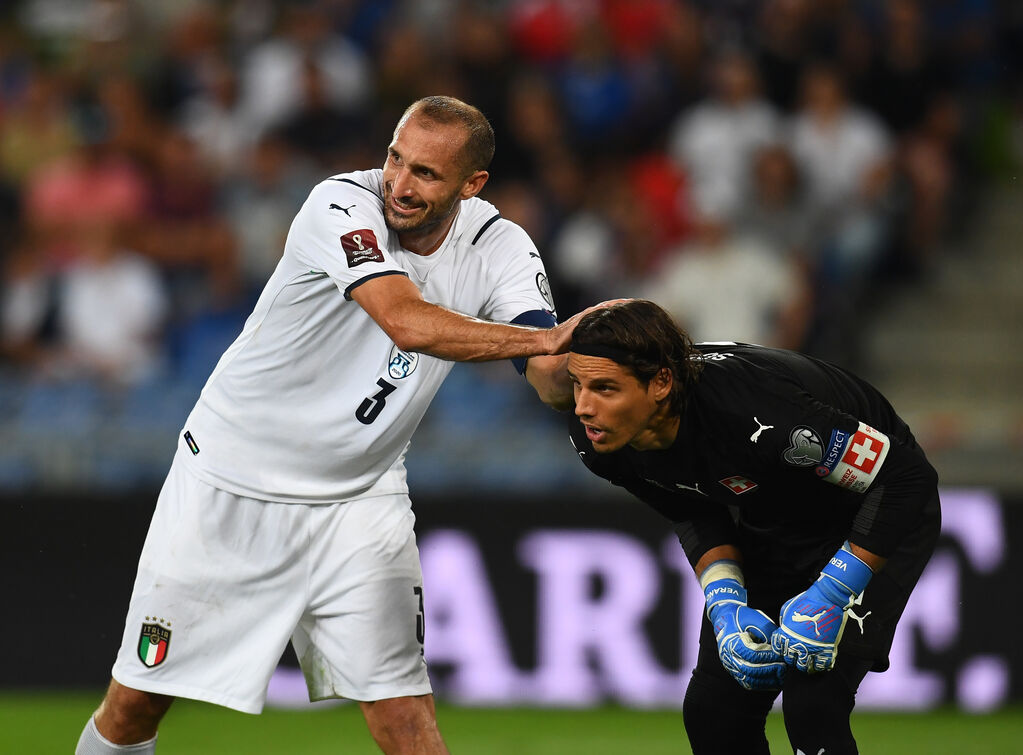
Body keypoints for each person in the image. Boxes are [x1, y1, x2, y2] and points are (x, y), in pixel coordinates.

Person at [76, 96, 591, 755]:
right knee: (136, 704)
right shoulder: (339, 206)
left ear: (472, 185)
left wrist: (590, 377)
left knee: (405, 717)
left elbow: (543, 372)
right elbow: (407, 320)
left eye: (426, 174)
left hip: (359, 495)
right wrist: (547, 341)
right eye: (395, 160)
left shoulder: (500, 246)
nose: (400, 185)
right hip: (233, 481)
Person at [559, 299, 940, 755]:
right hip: (776, 519)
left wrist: (833, 592)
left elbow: (905, 478)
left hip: (874, 513)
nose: (583, 407)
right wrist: (725, 603)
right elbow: (691, 507)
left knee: (813, 703)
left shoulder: (757, 414)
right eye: (577, 384)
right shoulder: (601, 441)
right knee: (713, 714)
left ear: (661, 382)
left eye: (604, 388)